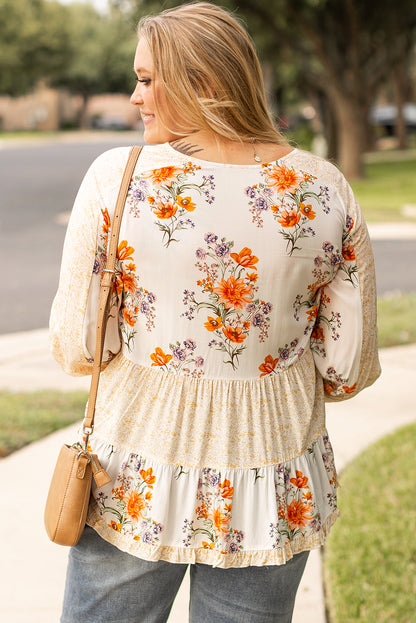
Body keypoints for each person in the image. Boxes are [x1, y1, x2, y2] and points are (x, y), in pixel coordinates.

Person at [50, 3, 381, 622]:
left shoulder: (117, 180)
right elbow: (347, 366)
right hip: (272, 473)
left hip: (136, 470)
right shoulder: (325, 187)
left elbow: (78, 344)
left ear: (201, 81)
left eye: (147, 80)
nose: (133, 96)